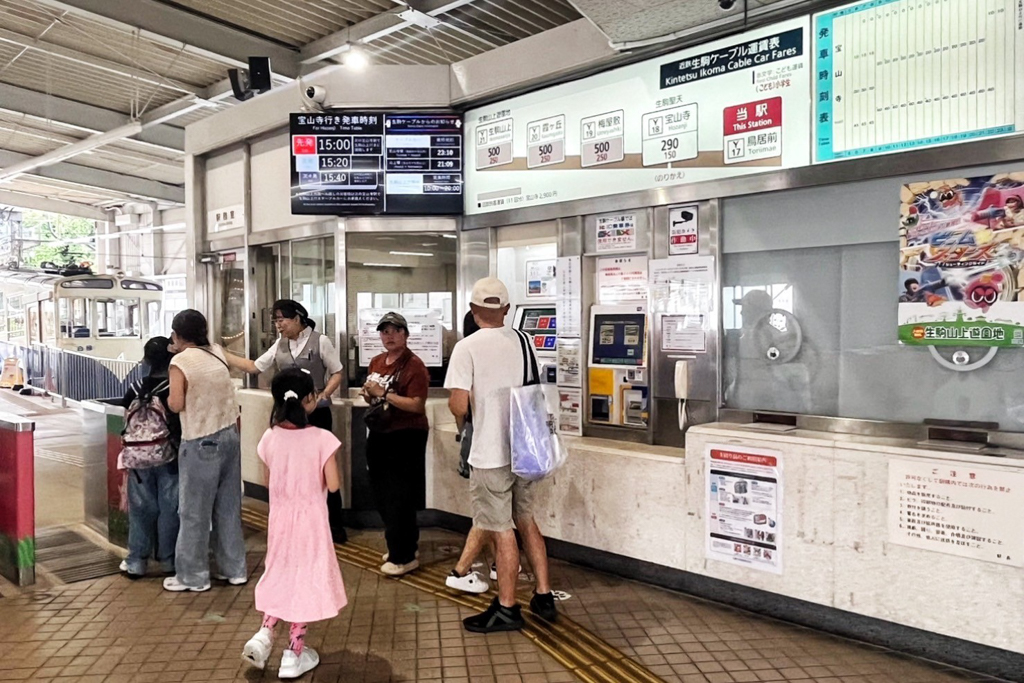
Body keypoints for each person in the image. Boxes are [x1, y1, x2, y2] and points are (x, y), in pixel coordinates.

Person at [445, 277, 558, 632]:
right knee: (525, 519)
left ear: (474, 310)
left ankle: (507, 608)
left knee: (501, 529)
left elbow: (459, 403)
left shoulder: (467, 347)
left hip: (490, 454)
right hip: (524, 450)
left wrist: (463, 419)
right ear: (506, 310)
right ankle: (543, 594)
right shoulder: (525, 340)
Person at [242, 368, 346, 679]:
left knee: (281, 573)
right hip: (311, 521)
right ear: (310, 399)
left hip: (280, 521)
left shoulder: (269, 437)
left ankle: (265, 633)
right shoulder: (322, 439)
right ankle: (294, 652)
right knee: (305, 579)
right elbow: (334, 484)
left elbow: (267, 480)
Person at [225, 299, 346, 543]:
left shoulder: (320, 341)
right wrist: (222, 354)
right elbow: (255, 367)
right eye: (276, 321)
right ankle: (297, 522)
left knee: (322, 469)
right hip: (288, 417)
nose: (279, 325)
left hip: (316, 414)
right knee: (292, 470)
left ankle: (335, 527)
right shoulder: (278, 345)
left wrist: (323, 395)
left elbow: (337, 372)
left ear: (299, 318)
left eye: (282, 319)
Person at [163, 309, 248, 593]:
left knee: (194, 512)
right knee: (228, 507)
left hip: (200, 440)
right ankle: (234, 569)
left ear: (176, 334)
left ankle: (193, 577)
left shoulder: (181, 361)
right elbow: (251, 366)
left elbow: (176, 404)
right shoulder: (216, 352)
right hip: (230, 435)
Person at [361, 312, 431, 577]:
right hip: (380, 432)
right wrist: (369, 394)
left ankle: (403, 556)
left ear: (405, 334)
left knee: (399, 495)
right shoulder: (377, 361)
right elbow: (374, 400)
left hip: (406, 435)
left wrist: (385, 393)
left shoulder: (414, 365)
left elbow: (416, 404)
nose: (389, 336)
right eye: (384, 331)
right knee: (381, 492)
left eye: (395, 330)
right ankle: (401, 545)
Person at [444, 310, 498, 596]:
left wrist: (462, 432)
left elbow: (459, 409)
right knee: (490, 511)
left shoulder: (468, 353)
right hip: (497, 445)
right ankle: (461, 570)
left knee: (488, 508)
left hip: (476, 439)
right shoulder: (504, 350)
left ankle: (495, 565)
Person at [118, 336, 181, 579]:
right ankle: (168, 561)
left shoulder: (133, 388)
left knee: (141, 509)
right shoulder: (171, 388)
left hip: (137, 459)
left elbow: (127, 423)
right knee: (169, 508)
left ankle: (136, 562)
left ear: (146, 361)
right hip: (168, 456)